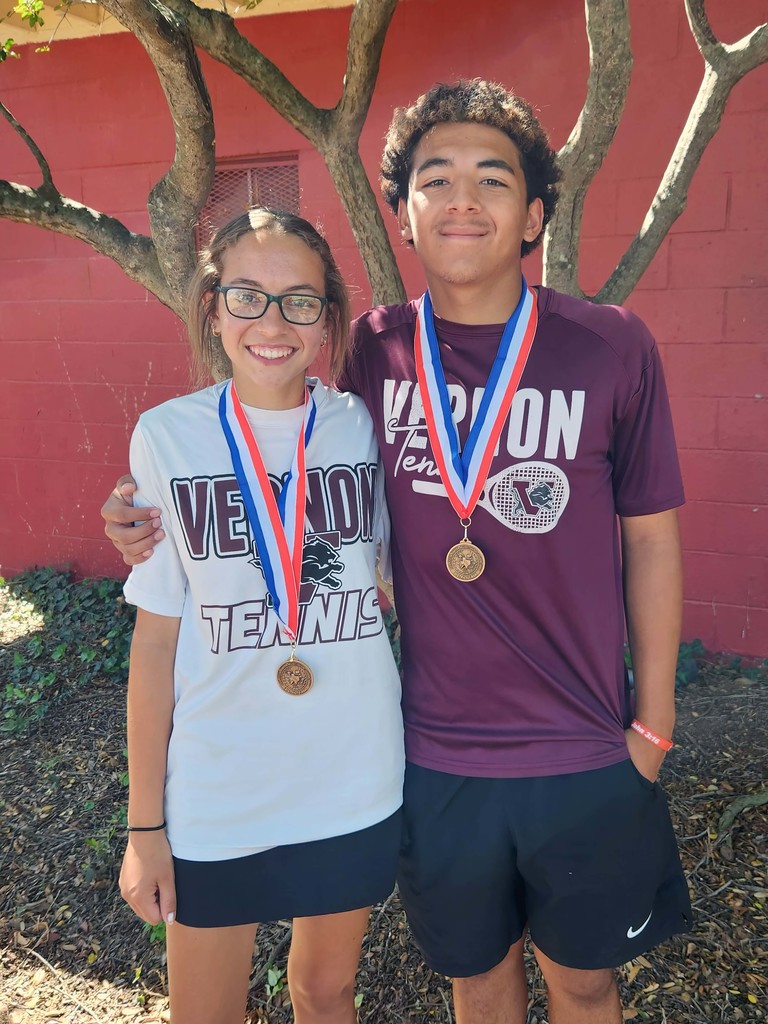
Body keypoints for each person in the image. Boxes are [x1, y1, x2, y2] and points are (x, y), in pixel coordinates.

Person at [103, 81, 692, 1024]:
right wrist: (143, 514)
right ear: (406, 215)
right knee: (475, 976)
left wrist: (653, 727)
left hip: (583, 744)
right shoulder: (376, 355)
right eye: (437, 178)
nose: (464, 198)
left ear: (536, 213)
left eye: (492, 180)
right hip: (430, 752)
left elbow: (653, 538)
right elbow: (278, 474)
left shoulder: (611, 345)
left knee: (587, 983)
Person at [116, 207, 404, 1024]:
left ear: (327, 319)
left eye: (299, 301)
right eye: (247, 296)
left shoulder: (363, 429)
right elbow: (156, 643)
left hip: (354, 774)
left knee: (325, 993)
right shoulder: (167, 437)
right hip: (219, 784)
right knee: (204, 1012)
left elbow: (406, 568)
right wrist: (147, 825)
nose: (272, 323)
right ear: (212, 308)